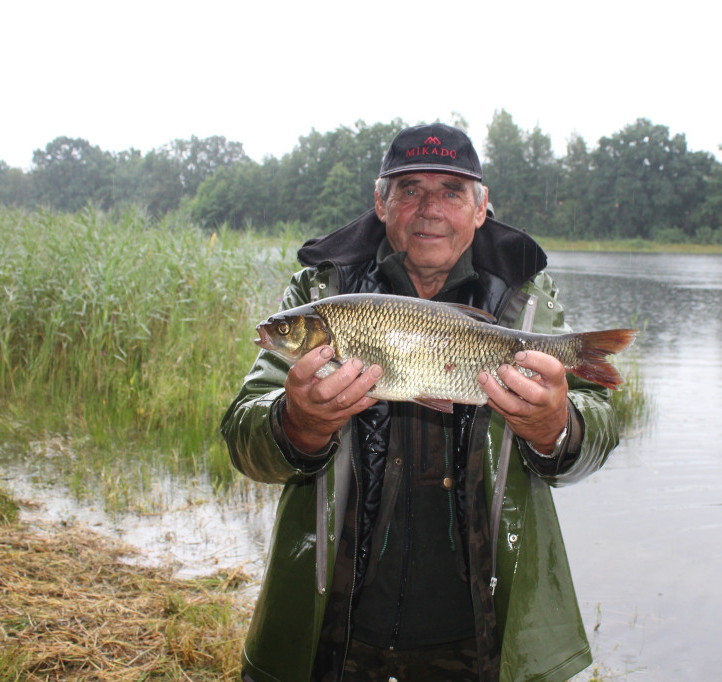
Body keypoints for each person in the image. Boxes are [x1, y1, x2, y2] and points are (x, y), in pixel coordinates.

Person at [220, 123, 621, 681]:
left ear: (481, 209)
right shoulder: (319, 296)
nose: (430, 208)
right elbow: (242, 436)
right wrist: (296, 424)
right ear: (381, 203)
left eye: (451, 192)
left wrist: (558, 428)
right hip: (333, 626)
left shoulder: (527, 302)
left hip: (480, 634)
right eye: (410, 190)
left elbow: (602, 425)